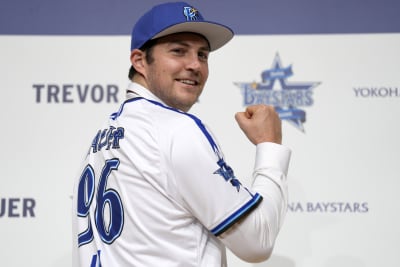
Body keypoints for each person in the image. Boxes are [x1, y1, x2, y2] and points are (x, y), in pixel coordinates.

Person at [72, 2, 291, 266]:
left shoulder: (101, 139)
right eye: (178, 51)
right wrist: (269, 146)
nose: (195, 65)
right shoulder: (176, 129)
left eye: (202, 55)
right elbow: (257, 242)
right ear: (140, 61)